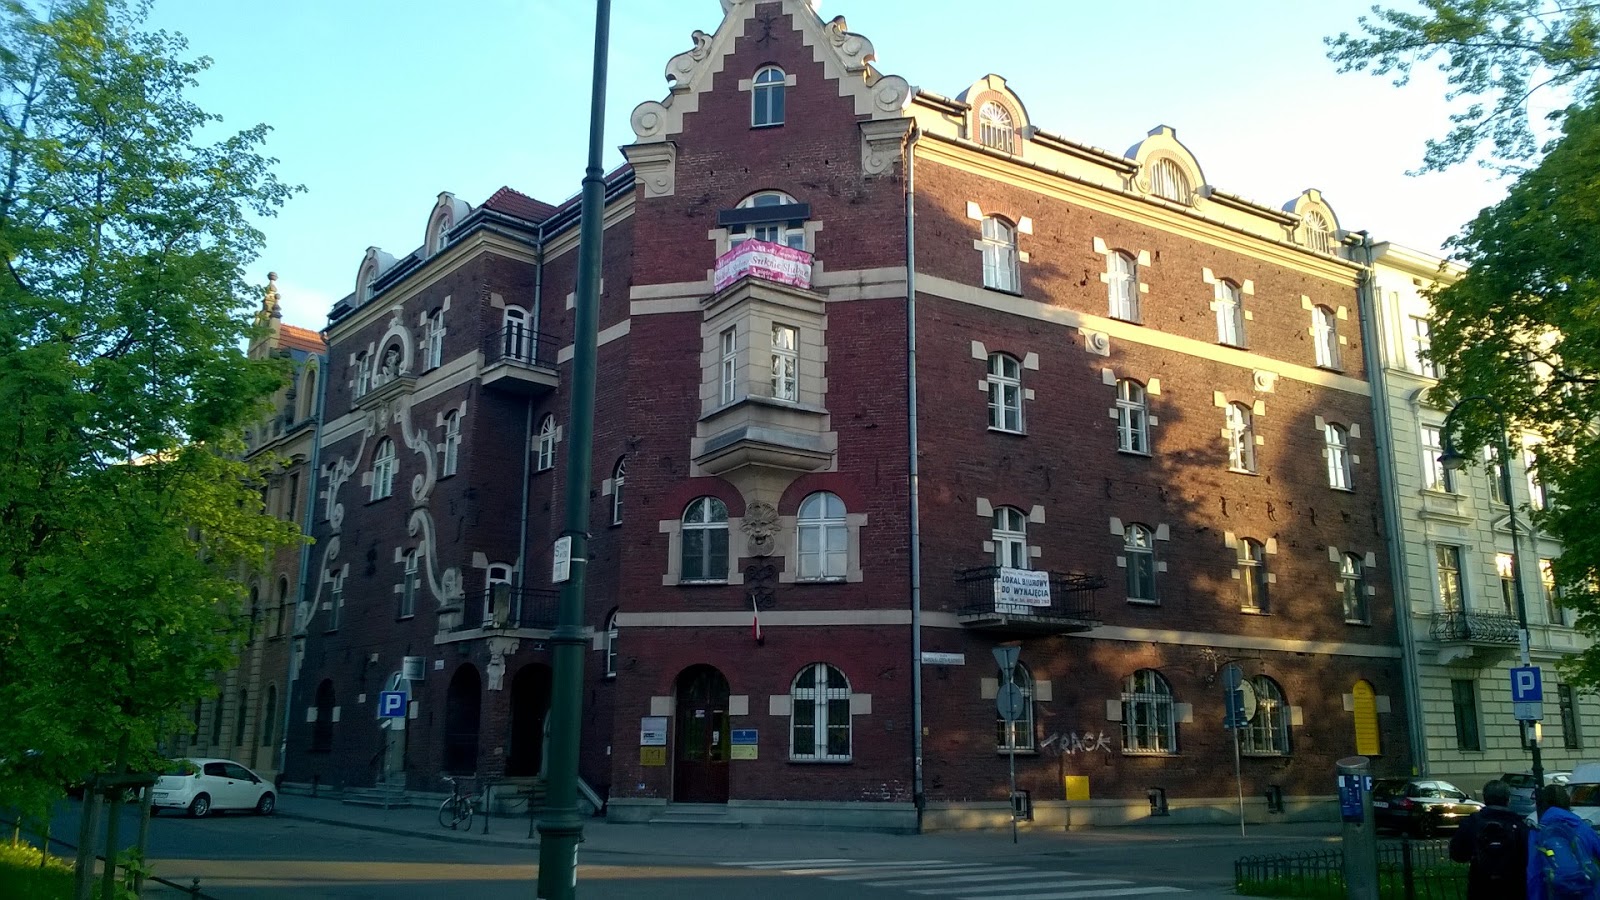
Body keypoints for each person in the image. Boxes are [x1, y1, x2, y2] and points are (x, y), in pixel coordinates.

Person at [1451, 779, 1530, 900]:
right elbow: (1527, 856)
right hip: (1512, 887)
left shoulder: (1472, 823)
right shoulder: (1518, 824)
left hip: (1480, 886)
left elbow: (1457, 854)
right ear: (1508, 800)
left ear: (1484, 798)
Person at [1529, 783, 1600, 900]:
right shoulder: (1583, 828)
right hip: (1588, 893)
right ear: (1567, 802)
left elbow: (1533, 874)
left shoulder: (1537, 833)